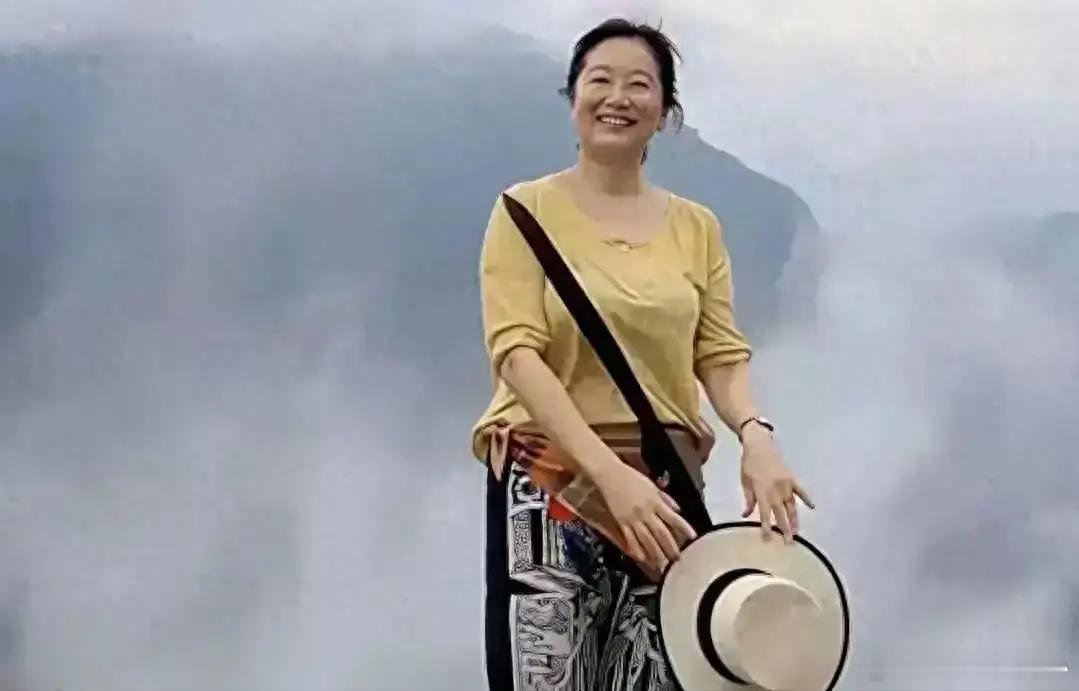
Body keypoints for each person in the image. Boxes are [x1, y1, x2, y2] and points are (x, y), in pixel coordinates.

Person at [471, 17, 814, 691]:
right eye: (600, 80)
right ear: (573, 97)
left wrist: (756, 435)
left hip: (665, 486)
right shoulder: (522, 212)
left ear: (664, 112)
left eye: (639, 85)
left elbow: (719, 351)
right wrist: (607, 475)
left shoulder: (696, 227)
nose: (617, 98)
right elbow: (516, 354)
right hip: (551, 482)